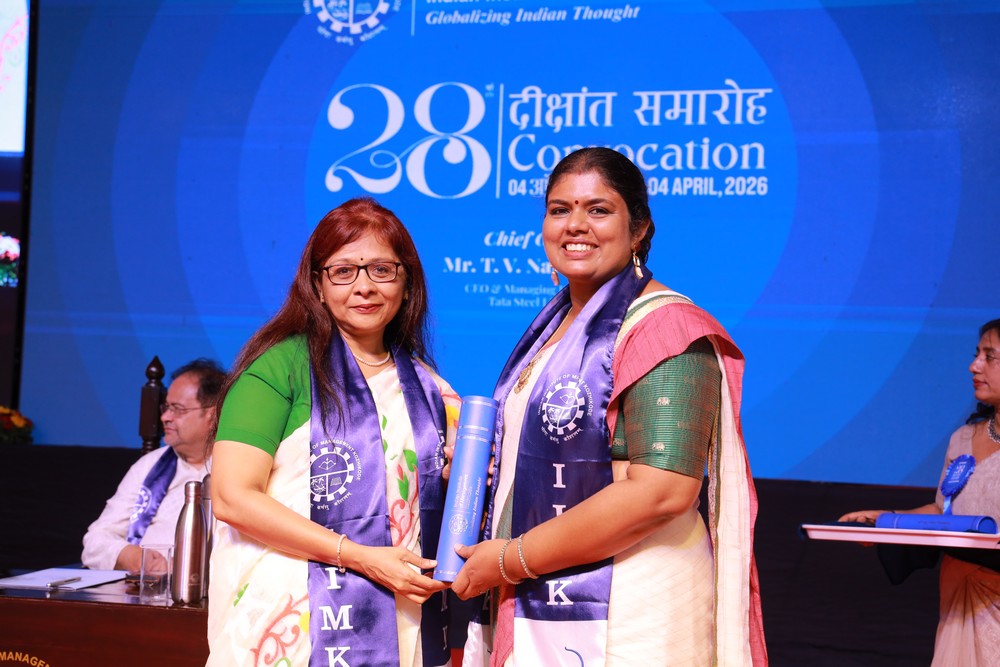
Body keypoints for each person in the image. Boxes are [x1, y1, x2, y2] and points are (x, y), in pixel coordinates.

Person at [451, 147, 767, 666]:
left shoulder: (667, 327)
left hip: (634, 608)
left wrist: (511, 559)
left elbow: (662, 493)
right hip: (542, 587)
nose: (575, 225)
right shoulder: (555, 330)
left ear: (638, 228)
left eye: (598, 210)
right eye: (559, 209)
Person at [208, 197, 461, 667]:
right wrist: (358, 555)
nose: (364, 287)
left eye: (382, 270)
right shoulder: (278, 369)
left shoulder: (432, 390)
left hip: (400, 610)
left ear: (407, 284)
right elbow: (231, 498)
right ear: (318, 286)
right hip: (290, 620)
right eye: (343, 271)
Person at [840, 318, 1000, 667]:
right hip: (959, 600)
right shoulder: (963, 438)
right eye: (976, 354)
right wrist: (884, 521)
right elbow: (944, 512)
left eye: (989, 357)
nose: (974, 366)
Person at [81, 358, 226, 572]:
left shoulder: (237, 468)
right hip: (146, 588)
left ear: (212, 415)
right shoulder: (149, 467)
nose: (165, 417)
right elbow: (95, 541)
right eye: (166, 407)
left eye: (177, 409)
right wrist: (134, 557)